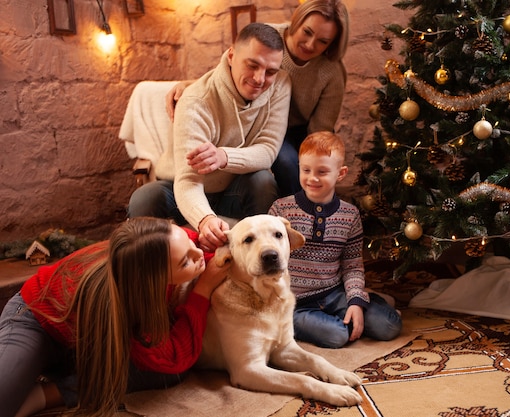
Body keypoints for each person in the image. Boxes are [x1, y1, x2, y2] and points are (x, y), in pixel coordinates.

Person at [0, 217, 229, 417]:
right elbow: (176, 355)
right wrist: (203, 289)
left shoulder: (163, 245)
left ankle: (46, 394)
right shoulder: (131, 299)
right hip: (36, 322)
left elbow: (204, 245)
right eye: (185, 261)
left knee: (165, 374)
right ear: (154, 282)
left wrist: (209, 229)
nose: (198, 254)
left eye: (187, 242)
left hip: (89, 342)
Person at [128, 22, 292, 252]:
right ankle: (151, 275)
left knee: (263, 181)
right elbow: (188, 181)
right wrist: (205, 219)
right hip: (185, 188)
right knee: (144, 198)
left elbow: (267, 151)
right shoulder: (196, 101)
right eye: (252, 65)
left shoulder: (281, 85)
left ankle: (262, 262)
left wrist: (223, 156)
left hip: (234, 188)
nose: (259, 78)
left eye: (270, 71)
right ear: (232, 56)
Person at [166, 0, 350, 198]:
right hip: (255, 117)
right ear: (297, 22)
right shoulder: (268, 37)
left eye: (323, 41)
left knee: (287, 161)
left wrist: (316, 166)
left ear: (332, 44)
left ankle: (303, 213)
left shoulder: (332, 72)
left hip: (296, 131)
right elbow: (231, 70)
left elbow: (319, 131)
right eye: (307, 32)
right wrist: (189, 84)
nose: (310, 44)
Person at [268, 131, 402, 349]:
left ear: (340, 174)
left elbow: (352, 265)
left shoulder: (349, 215)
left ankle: (367, 302)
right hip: (296, 304)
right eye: (306, 170)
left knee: (389, 325)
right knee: (337, 335)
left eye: (322, 171)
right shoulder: (281, 209)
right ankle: (328, 323)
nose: (312, 178)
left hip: (334, 293)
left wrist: (355, 302)